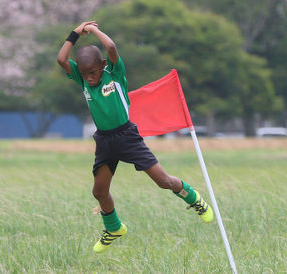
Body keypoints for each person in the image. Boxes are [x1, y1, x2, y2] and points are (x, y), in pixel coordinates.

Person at [56, 21, 213, 253]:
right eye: (84, 74)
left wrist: (95, 31)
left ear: (102, 65)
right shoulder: (81, 80)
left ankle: (193, 197)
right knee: (98, 192)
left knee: (163, 182)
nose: (88, 78)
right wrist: (76, 33)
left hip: (127, 136)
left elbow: (111, 48)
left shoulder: (114, 74)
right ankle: (114, 227)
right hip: (105, 141)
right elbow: (61, 59)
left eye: (92, 72)